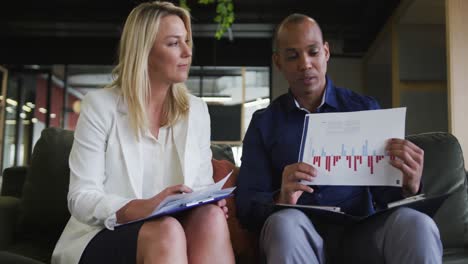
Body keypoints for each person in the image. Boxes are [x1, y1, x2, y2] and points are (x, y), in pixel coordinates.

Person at [236, 13, 442, 264]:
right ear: (278, 62)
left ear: (326, 52)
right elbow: (246, 206)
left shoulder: (365, 108)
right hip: (299, 231)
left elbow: (387, 196)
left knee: (417, 224)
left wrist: (410, 184)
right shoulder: (264, 122)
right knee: (283, 223)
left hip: (362, 232)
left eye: (313, 52)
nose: (305, 64)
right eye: (293, 56)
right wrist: (281, 198)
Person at [52, 2, 235, 264]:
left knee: (211, 218)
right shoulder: (100, 106)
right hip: (103, 232)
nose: (187, 51)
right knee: (166, 231)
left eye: (187, 41)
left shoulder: (196, 111)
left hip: (173, 228)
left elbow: (201, 185)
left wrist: (206, 201)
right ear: (144, 51)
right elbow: (80, 198)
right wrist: (142, 208)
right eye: (174, 43)